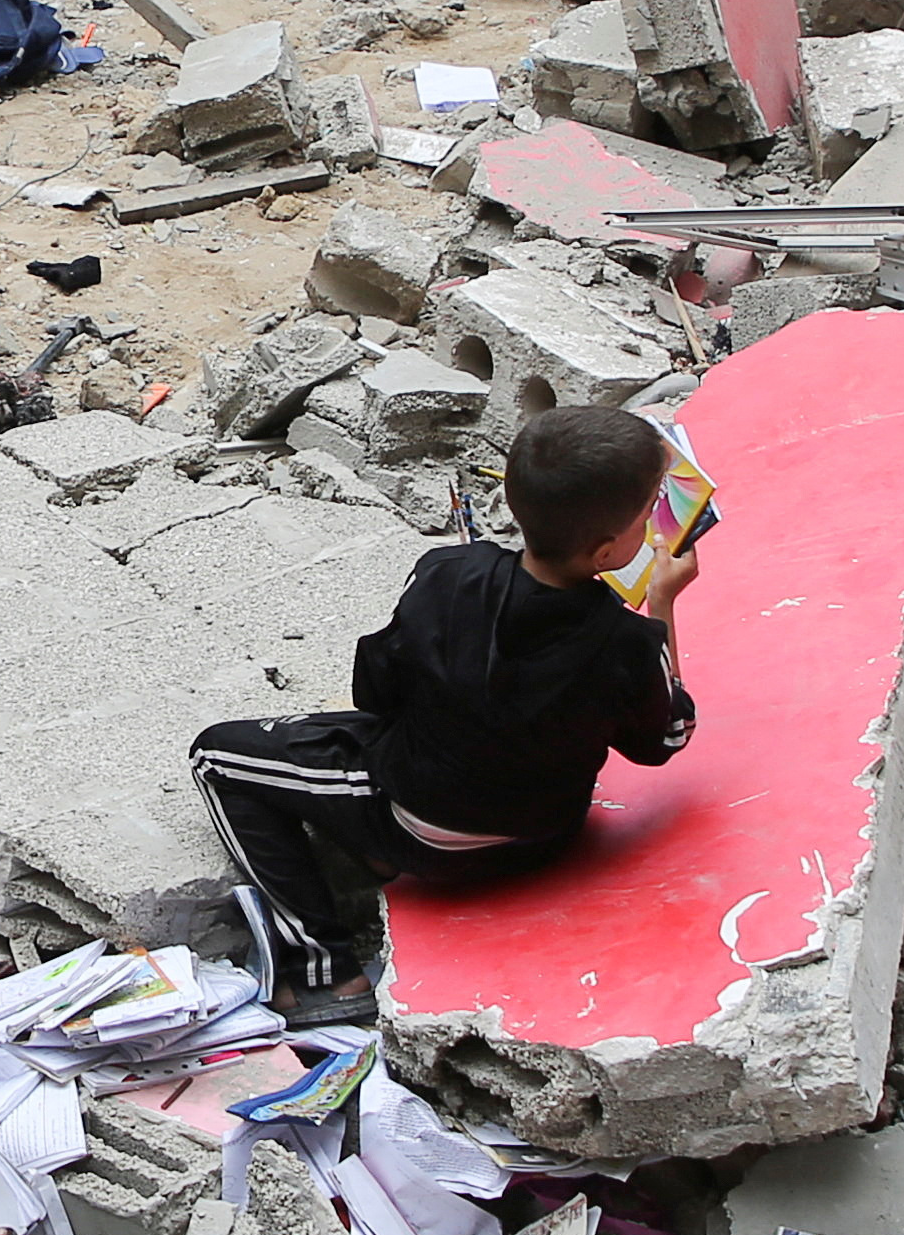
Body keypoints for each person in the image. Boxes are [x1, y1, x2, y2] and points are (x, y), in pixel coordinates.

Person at [186, 403, 704, 1005]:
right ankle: (369, 856)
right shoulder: (626, 641)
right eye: (649, 513)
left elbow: (374, 694)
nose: (652, 524)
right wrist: (662, 607)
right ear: (609, 552)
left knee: (217, 755)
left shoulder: (444, 573)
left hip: (428, 836)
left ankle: (325, 964)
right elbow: (666, 739)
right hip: (548, 834)